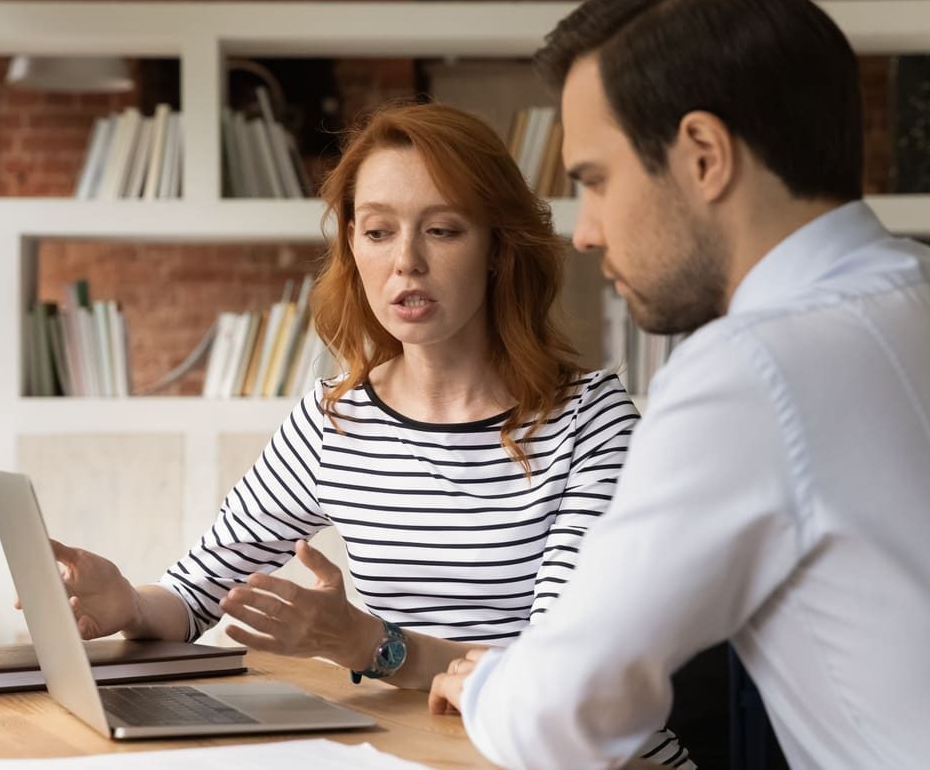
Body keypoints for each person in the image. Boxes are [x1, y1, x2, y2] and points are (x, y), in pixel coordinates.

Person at [428, 0, 930, 770]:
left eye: (596, 178)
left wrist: (491, 687)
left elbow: (564, 717)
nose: (584, 231)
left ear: (702, 154)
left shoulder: (755, 368)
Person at [46, 102, 692, 766]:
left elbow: (557, 681)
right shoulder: (334, 420)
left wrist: (370, 644)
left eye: (442, 230)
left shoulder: (591, 423)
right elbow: (193, 594)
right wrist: (127, 602)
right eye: (378, 232)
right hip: (429, 755)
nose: (405, 262)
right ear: (352, 246)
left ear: (499, 247)